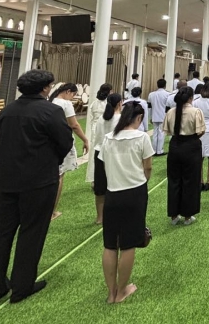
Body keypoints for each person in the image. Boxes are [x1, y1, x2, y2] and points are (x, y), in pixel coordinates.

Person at [0, 70, 74, 305]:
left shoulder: (7, 110)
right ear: (45, 88)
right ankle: (22, 286)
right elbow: (65, 141)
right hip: (39, 181)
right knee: (32, 232)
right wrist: (48, 160)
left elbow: (0, 137)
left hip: (7, 180)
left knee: (2, 232)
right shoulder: (50, 111)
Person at [99, 102, 153, 304]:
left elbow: (105, 163)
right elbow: (148, 167)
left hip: (112, 193)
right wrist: (143, 180)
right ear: (138, 118)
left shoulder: (109, 138)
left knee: (110, 244)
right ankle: (121, 291)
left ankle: (111, 292)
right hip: (135, 193)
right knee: (128, 244)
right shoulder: (141, 137)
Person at [164, 87, 205, 226]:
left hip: (175, 146)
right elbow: (201, 131)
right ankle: (188, 216)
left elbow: (167, 131)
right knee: (191, 181)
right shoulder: (196, 112)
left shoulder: (171, 112)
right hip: (191, 146)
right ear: (191, 98)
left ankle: (174, 215)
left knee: (174, 180)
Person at [50, 83, 90, 220]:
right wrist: (85, 140)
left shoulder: (51, 101)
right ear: (68, 91)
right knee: (59, 175)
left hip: (48, 142)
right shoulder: (65, 104)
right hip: (62, 142)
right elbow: (74, 125)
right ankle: (52, 211)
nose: (73, 98)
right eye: (73, 94)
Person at [92, 93, 122, 225]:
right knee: (116, 185)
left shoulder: (101, 118)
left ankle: (100, 218)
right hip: (114, 154)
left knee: (100, 187)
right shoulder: (121, 119)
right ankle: (115, 215)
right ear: (120, 103)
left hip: (99, 152)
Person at [86, 83, 112, 185]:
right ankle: (104, 177)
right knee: (105, 151)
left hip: (95, 129)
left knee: (94, 152)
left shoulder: (94, 103)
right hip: (104, 128)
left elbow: (91, 118)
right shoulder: (108, 104)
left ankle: (94, 179)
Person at [147, 79, 172, 156]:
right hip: (163, 116)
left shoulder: (151, 94)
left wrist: (150, 116)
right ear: (165, 85)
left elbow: (149, 107)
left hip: (154, 115)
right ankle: (159, 150)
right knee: (161, 133)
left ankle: (154, 150)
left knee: (155, 133)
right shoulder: (168, 94)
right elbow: (168, 106)